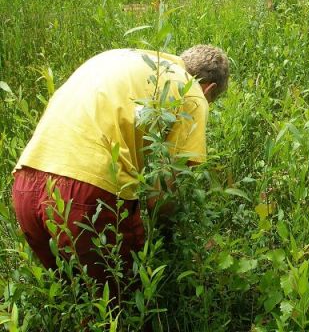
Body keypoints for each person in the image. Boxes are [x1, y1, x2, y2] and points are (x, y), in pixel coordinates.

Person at [11, 45, 229, 288]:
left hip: (26, 185)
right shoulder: (192, 94)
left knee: (75, 297)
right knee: (122, 309)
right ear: (208, 89)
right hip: (89, 195)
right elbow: (162, 194)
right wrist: (173, 240)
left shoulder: (123, 58)